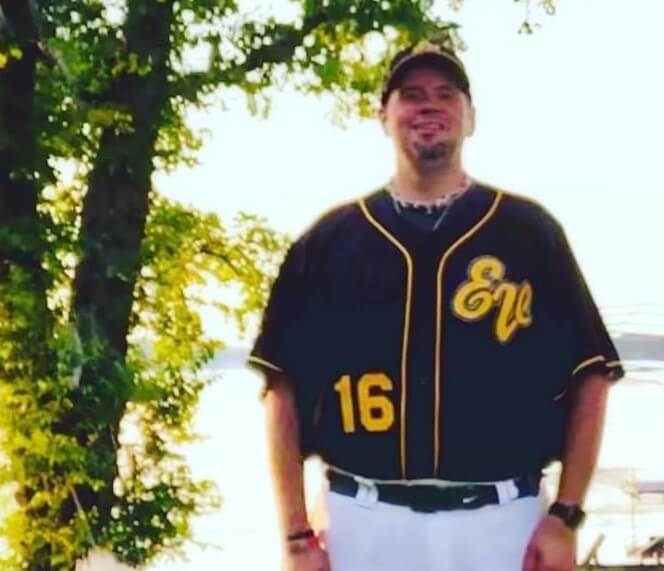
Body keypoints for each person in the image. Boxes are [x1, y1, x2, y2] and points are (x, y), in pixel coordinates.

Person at [249, 40, 624, 571]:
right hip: (363, 521)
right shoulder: (330, 241)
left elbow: (591, 376)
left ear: (470, 118)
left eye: (446, 94)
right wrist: (294, 537)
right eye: (411, 94)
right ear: (384, 116)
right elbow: (280, 389)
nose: (429, 106)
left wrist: (565, 516)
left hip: (503, 520)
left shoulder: (529, 233)